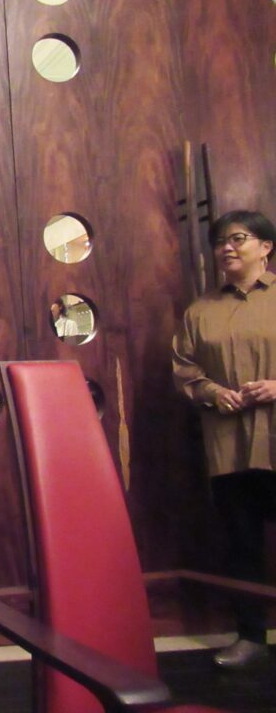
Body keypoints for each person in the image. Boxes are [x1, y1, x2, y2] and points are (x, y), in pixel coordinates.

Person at [173, 209, 276, 669]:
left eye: (238, 239)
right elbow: (185, 370)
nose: (227, 248)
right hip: (229, 447)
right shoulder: (199, 311)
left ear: (266, 247)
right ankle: (251, 637)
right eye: (220, 242)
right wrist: (214, 393)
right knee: (242, 544)